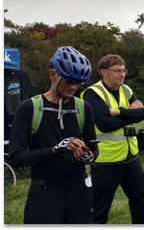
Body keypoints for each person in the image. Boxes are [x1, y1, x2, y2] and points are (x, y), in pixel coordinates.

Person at [8, 46, 97, 223]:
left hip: (78, 188)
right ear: (52, 74)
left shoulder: (83, 108)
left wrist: (87, 156)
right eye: (67, 81)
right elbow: (16, 158)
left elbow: (93, 149)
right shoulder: (28, 108)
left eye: (77, 83)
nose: (73, 87)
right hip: (45, 189)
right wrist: (56, 149)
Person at [81, 54, 144, 224]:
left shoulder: (126, 90)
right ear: (104, 72)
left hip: (131, 158)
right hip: (106, 162)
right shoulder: (92, 93)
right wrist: (130, 113)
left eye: (124, 70)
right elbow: (104, 124)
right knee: (99, 210)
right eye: (117, 70)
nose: (122, 74)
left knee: (139, 202)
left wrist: (118, 112)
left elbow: (143, 113)